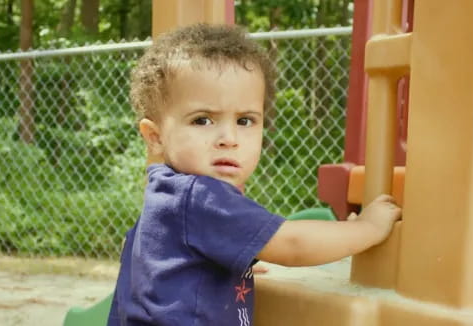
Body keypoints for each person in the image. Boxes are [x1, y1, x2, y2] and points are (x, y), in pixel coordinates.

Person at [107, 23, 401, 326]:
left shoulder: (166, 197)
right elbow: (293, 244)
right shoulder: (200, 196)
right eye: (203, 120)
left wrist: (230, 268)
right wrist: (367, 229)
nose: (229, 137)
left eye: (245, 121)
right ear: (154, 136)